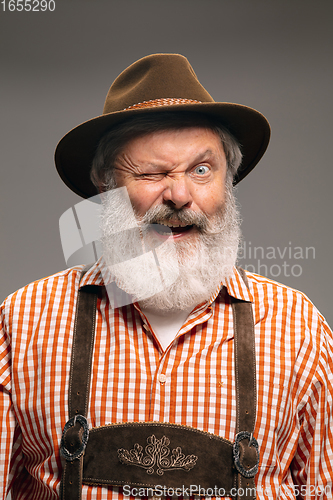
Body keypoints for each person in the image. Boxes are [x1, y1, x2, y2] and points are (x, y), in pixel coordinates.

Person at [0, 53, 332, 500]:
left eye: (201, 170)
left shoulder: (299, 330)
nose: (178, 196)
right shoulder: (23, 322)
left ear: (227, 181)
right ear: (105, 186)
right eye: (152, 173)